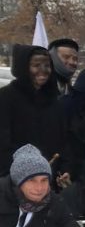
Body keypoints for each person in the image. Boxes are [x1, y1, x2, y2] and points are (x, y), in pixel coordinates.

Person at [0, 45, 68, 177]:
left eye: (47, 65)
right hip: (16, 177)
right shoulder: (6, 98)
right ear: (23, 67)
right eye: (36, 65)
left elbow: (64, 139)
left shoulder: (54, 100)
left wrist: (66, 168)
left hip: (50, 175)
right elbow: (3, 143)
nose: (43, 70)